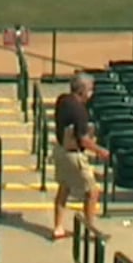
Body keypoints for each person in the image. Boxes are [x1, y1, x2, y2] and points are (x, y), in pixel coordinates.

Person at [51, 72, 109, 241]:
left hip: (59, 149)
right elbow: (83, 140)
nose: (92, 93)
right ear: (82, 90)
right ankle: (91, 229)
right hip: (73, 154)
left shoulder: (62, 100)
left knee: (64, 188)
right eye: (90, 89)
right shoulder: (80, 111)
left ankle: (58, 227)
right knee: (92, 191)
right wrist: (101, 150)